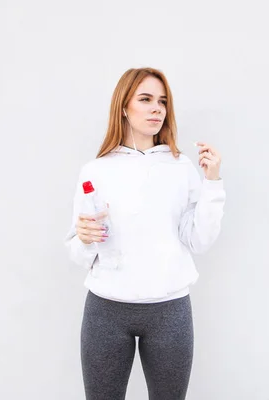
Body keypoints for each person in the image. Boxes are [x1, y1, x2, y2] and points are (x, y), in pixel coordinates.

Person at [64, 67, 225, 400]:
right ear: (124, 106)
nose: (157, 109)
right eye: (146, 99)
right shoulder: (96, 171)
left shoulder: (181, 168)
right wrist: (84, 237)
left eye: (163, 101)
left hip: (169, 311)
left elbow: (199, 240)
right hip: (106, 311)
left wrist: (212, 183)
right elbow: (80, 255)